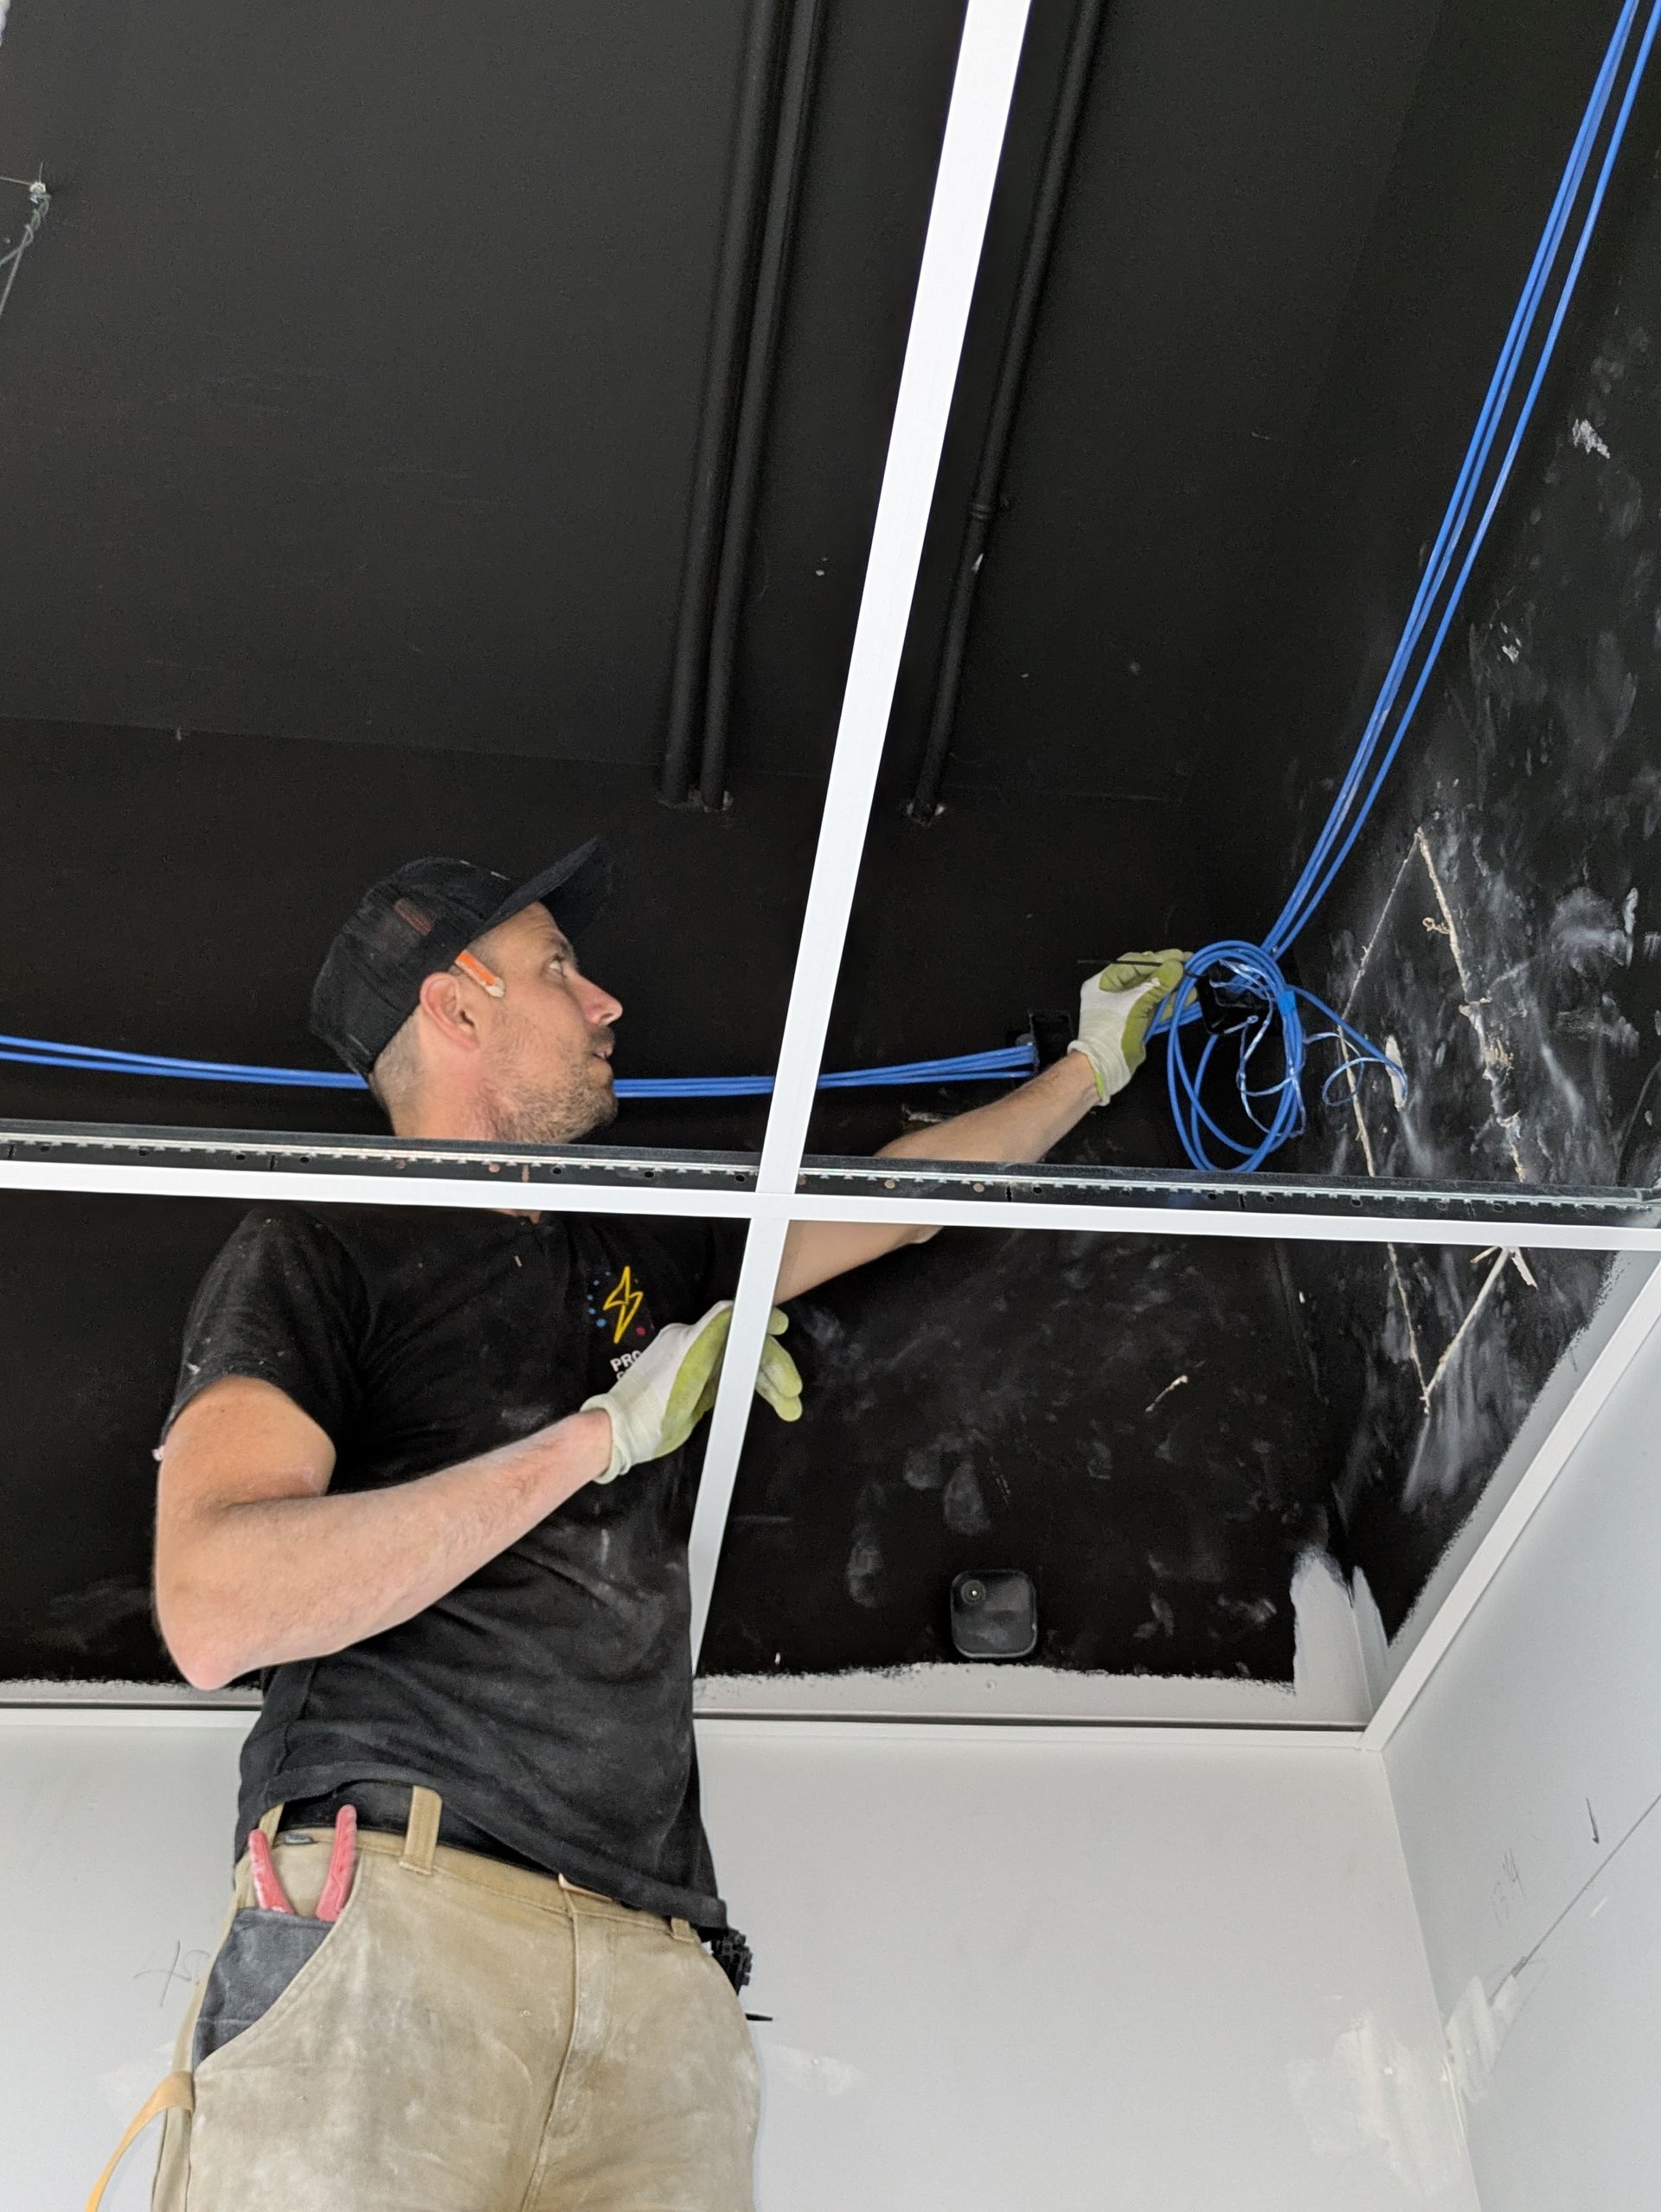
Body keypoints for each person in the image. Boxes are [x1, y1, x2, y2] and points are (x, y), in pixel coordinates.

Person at [93, 840, 1183, 2212]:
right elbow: (214, 1604)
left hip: (660, 1973)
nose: (606, 1003)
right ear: (457, 1004)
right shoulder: (319, 1249)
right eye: (562, 970)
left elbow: (893, 1210)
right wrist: (597, 1438)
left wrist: (1091, 1065)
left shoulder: (633, 1241)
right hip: (401, 1919)